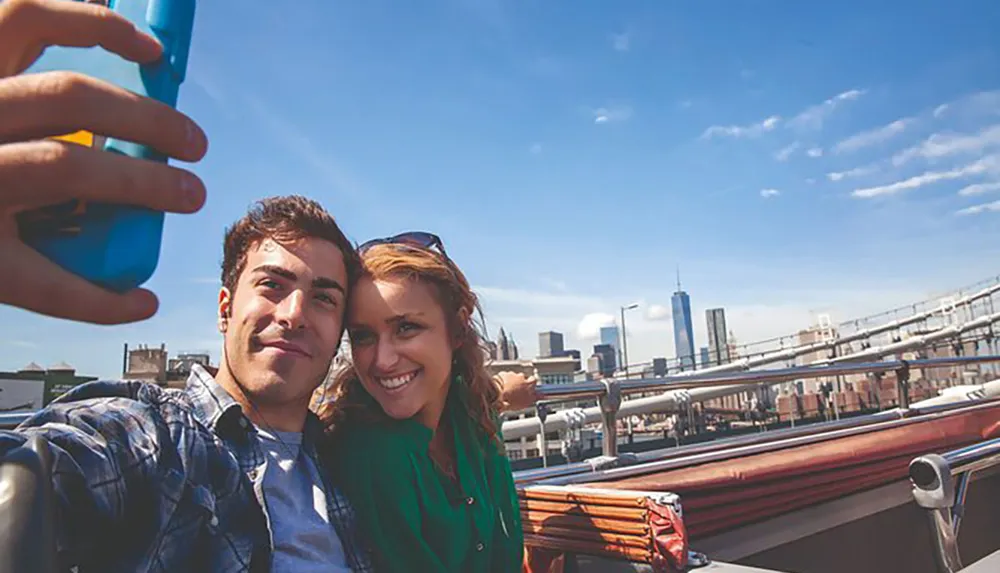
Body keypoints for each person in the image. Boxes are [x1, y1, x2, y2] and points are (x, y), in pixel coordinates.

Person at [0, 3, 373, 570]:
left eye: (324, 297)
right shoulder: (159, 439)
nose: (296, 312)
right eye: (273, 284)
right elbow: (39, 471)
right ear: (226, 308)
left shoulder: (349, 460)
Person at [317, 232, 527, 573]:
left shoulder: (470, 414)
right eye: (363, 336)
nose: (381, 361)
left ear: (458, 329)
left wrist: (501, 393)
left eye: (406, 328)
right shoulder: (374, 454)